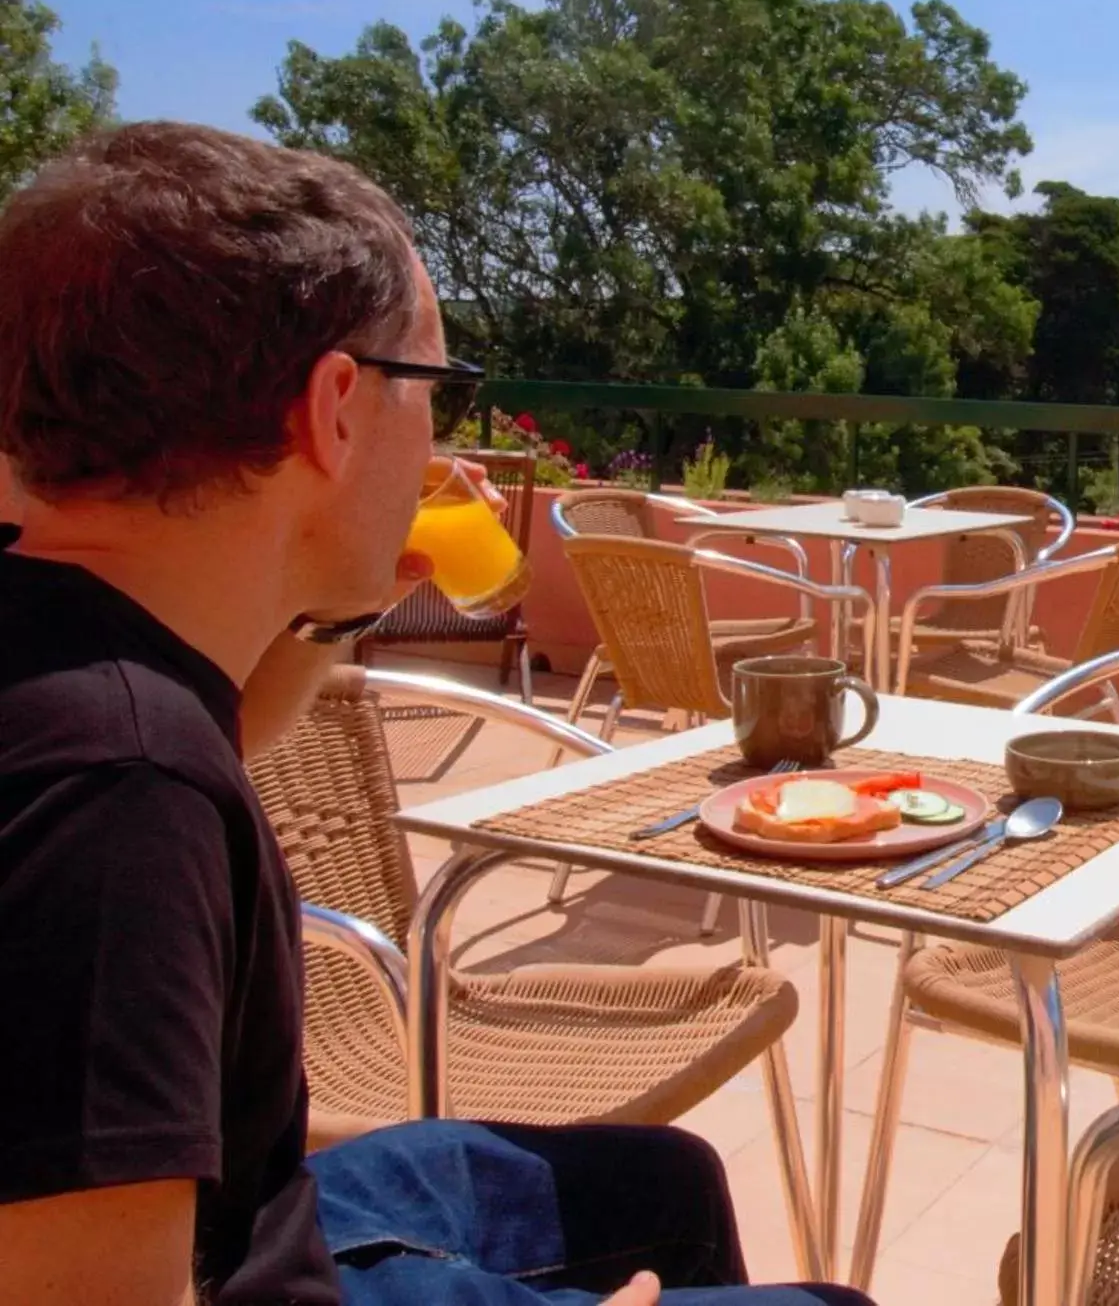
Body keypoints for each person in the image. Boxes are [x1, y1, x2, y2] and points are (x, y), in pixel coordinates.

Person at [0, 123, 869, 1306]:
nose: (443, 447)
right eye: (441, 395)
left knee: (657, 1185)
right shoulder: (116, 799)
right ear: (336, 408)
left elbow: (213, 742)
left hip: (253, 1212)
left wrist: (326, 590)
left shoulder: (77, 662)